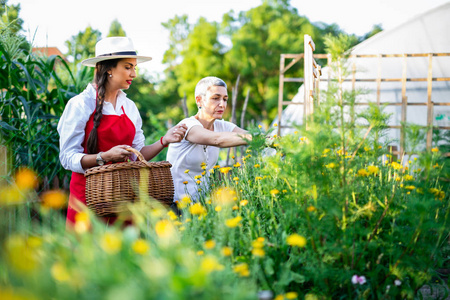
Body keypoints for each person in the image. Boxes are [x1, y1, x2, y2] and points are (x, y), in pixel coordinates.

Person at [57, 36, 187, 227]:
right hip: (87, 201)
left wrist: (164, 140)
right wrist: (104, 156)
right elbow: (67, 157)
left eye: (135, 67)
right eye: (128, 67)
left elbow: (137, 155)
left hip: (124, 200)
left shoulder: (130, 106)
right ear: (108, 68)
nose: (134, 73)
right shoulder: (80, 104)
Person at [166, 76, 251, 203]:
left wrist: (272, 140)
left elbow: (250, 134)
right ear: (199, 100)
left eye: (225, 99)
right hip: (177, 206)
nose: (222, 104)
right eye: (216, 98)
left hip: (203, 205)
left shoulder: (222, 125)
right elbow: (217, 140)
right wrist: (252, 138)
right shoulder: (188, 125)